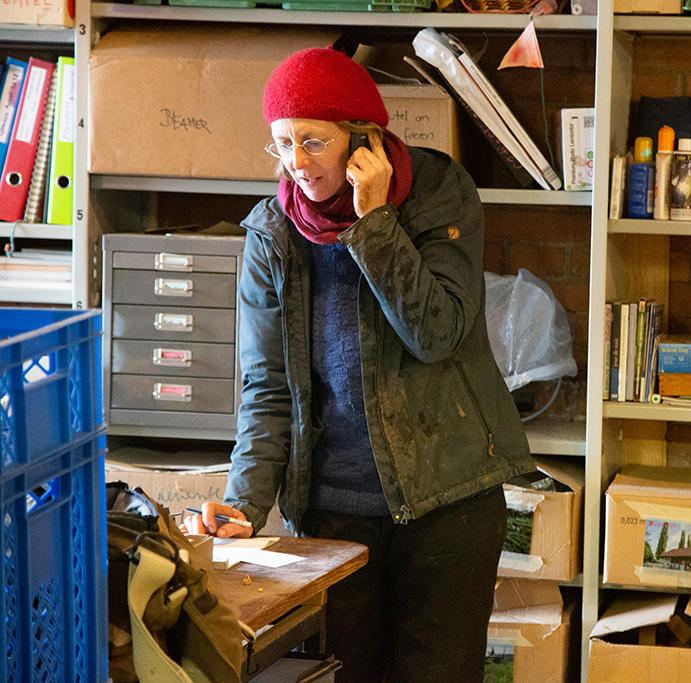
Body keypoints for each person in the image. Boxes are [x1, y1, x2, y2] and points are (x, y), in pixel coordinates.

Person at [182, 45, 534, 682]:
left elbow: (437, 333)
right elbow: (267, 389)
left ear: (364, 137)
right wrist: (242, 505)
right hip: (332, 518)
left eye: (313, 141)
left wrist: (374, 222)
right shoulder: (274, 235)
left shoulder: (438, 195)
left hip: (446, 503)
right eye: (282, 144)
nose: (296, 163)